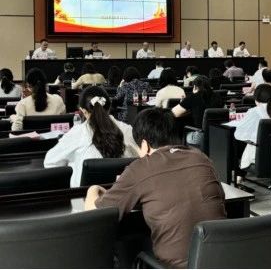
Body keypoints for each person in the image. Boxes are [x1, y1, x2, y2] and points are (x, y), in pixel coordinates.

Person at [84, 107, 226, 268]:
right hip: (221, 260)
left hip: (175, 267)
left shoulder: (141, 168)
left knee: (126, 247)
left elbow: (94, 215)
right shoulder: (201, 157)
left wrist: (93, 189)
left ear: (145, 145)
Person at [44, 86, 137, 187]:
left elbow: (50, 163)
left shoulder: (78, 133)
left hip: (84, 195)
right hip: (124, 194)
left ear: (83, 111)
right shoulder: (128, 130)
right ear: (109, 106)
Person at [235, 84, 271, 169]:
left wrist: (252, 135)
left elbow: (238, 135)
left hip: (259, 156)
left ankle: (238, 174)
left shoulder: (254, 111)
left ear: (256, 98)